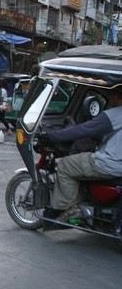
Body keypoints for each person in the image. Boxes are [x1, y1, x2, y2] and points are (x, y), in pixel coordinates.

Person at [40, 88, 122, 221]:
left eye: (112, 95)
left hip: (112, 164)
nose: (111, 98)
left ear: (118, 97)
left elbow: (84, 129)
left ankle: (65, 207)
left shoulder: (113, 115)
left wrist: (52, 136)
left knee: (66, 165)